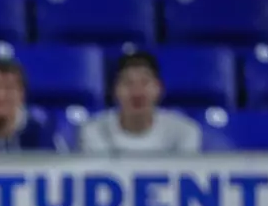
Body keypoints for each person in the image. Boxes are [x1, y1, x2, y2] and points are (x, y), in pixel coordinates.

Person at [75, 52, 203, 156]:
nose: (137, 92)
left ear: (159, 88)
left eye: (145, 82)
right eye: (128, 83)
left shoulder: (184, 131)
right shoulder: (94, 131)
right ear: (114, 91)